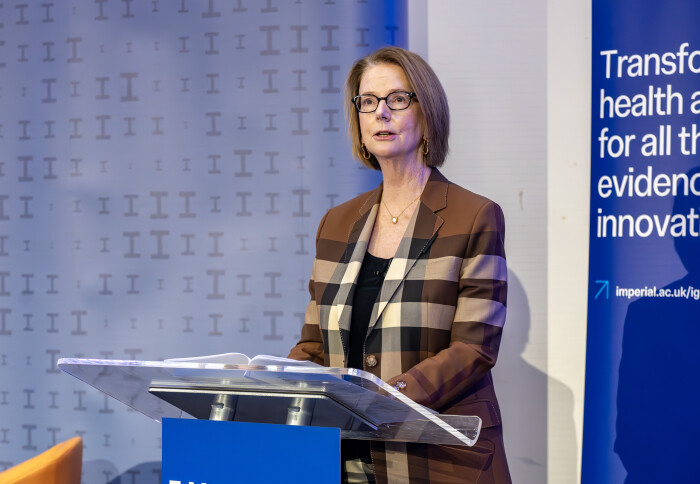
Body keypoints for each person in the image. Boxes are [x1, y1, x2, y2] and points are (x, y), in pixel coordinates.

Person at [288, 46, 511, 484]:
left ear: (426, 113)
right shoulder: (336, 223)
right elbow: (316, 346)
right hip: (344, 457)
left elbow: (475, 347)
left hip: (436, 454)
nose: (380, 113)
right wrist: (271, 383)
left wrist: (387, 398)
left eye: (397, 99)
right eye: (367, 102)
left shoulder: (473, 215)